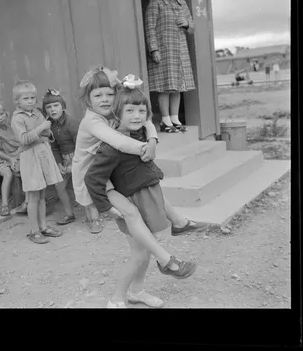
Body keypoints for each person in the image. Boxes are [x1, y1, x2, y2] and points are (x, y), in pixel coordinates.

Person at [72, 66, 209, 288]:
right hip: (95, 178)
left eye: (109, 94)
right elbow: (119, 142)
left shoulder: (114, 113)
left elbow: (145, 118)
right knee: (130, 212)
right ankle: (166, 260)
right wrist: (146, 148)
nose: (105, 99)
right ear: (87, 100)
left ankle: (178, 221)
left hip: (112, 172)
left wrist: (154, 139)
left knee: (149, 186)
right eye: (98, 95)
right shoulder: (93, 121)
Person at [85, 84, 194, 308]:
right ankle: (117, 297)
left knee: (142, 255)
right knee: (138, 255)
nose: (137, 116)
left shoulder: (139, 133)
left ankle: (137, 291)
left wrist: (152, 136)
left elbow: (148, 125)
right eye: (130, 111)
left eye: (141, 111)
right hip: (125, 201)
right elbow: (92, 178)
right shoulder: (112, 145)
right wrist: (105, 207)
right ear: (117, 114)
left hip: (140, 196)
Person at [11, 80, 63, 244]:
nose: (31, 101)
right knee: (32, 197)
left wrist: (44, 131)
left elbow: (47, 134)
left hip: (42, 154)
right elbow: (25, 139)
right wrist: (41, 130)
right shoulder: (17, 119)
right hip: (30, 158)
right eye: (26, 98)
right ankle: (34, 231)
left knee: (42, 196)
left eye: (33, 98)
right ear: (17, 101)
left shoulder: (38, 113)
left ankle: (44, 226)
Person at [145, 0, 195, 133]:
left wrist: (186, 24)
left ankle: (175, 119)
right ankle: (165, 121)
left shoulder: (182, 3)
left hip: (180, 50)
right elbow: (149, 26)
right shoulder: (156, 0)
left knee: (178, 87)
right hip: (164, 49)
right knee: (165, 87)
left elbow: (192, 27)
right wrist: (154, 49)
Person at [42, 88, 80, 226]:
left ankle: (93, 216)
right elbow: (54, 147)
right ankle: (69, 214)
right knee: (59, 185)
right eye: (49, 107)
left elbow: (80, 145)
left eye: (56, 105)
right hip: (64, 159)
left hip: (79, 157)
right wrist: (59, 164)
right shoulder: (49, 125)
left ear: (62, 106)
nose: (53, 110)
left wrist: (72, 164)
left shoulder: (71, 122)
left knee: (83, 185)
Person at [0, 102, 29, 215]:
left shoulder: (10, 126)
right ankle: (4, 205)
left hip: (15, 154)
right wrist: (10, 159)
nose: (1, 118)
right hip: (0, 159)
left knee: (29, 165)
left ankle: (28, 201)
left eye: (2, 114)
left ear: (6, 113)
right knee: (9, 173)